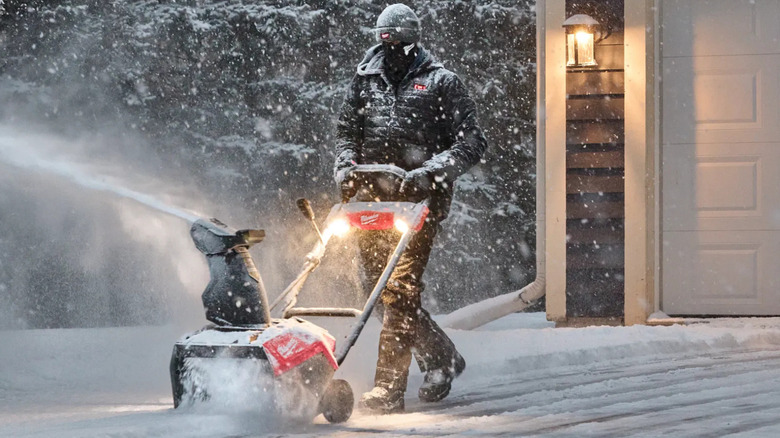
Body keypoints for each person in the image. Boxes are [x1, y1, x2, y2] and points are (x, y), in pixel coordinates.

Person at [334, 3, 488, 413]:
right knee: (375, 291)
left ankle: (388, 388)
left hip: (419, 203)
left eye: (400, 44)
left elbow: (471, 142)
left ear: (413, 40)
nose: (392, 52)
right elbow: (347, 133)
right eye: (386, 43)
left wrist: (429, 172)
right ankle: (442, 358)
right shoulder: (364, 81)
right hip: (370, 203)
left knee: (399, 289)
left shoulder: (442, 82)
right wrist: (345, 169)